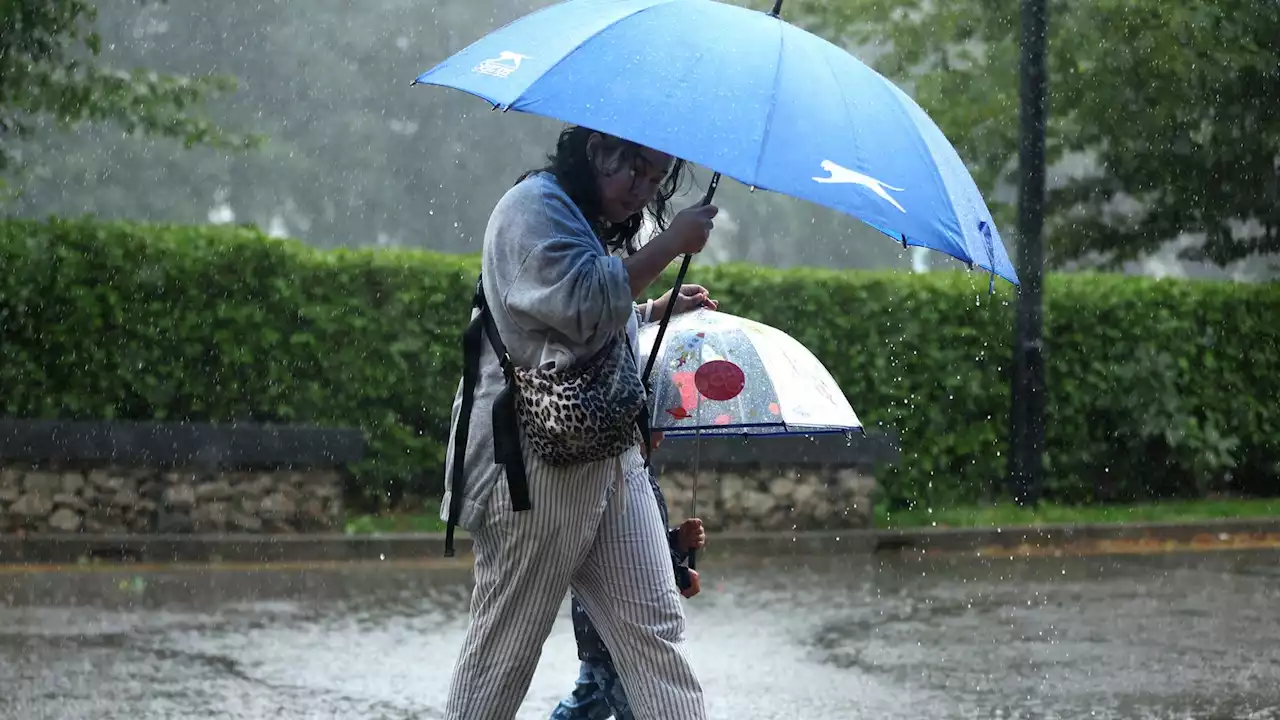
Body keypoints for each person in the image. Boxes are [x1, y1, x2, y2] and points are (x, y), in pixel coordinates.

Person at [440, 124, 719, 720]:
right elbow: (580, 306)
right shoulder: (533, 209)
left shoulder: (584, 216)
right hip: (533, 466)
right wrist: (669, 245)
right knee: (504, 650)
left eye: (657, 177)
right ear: (597, 150)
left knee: (654, 633)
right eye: (635, 170)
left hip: (610, 456)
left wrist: (650, 308)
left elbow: (580, 320)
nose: (644, 189)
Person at [550, 436, 708, 720]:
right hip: (614, 625)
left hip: (603, 628)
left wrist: (679, 542)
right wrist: (680, 575)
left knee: (588, 703)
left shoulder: (641, 474)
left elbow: (649, 549)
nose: (661, 438)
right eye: (654, 428)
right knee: (638, 706)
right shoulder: (613, 475)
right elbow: (628, 558)